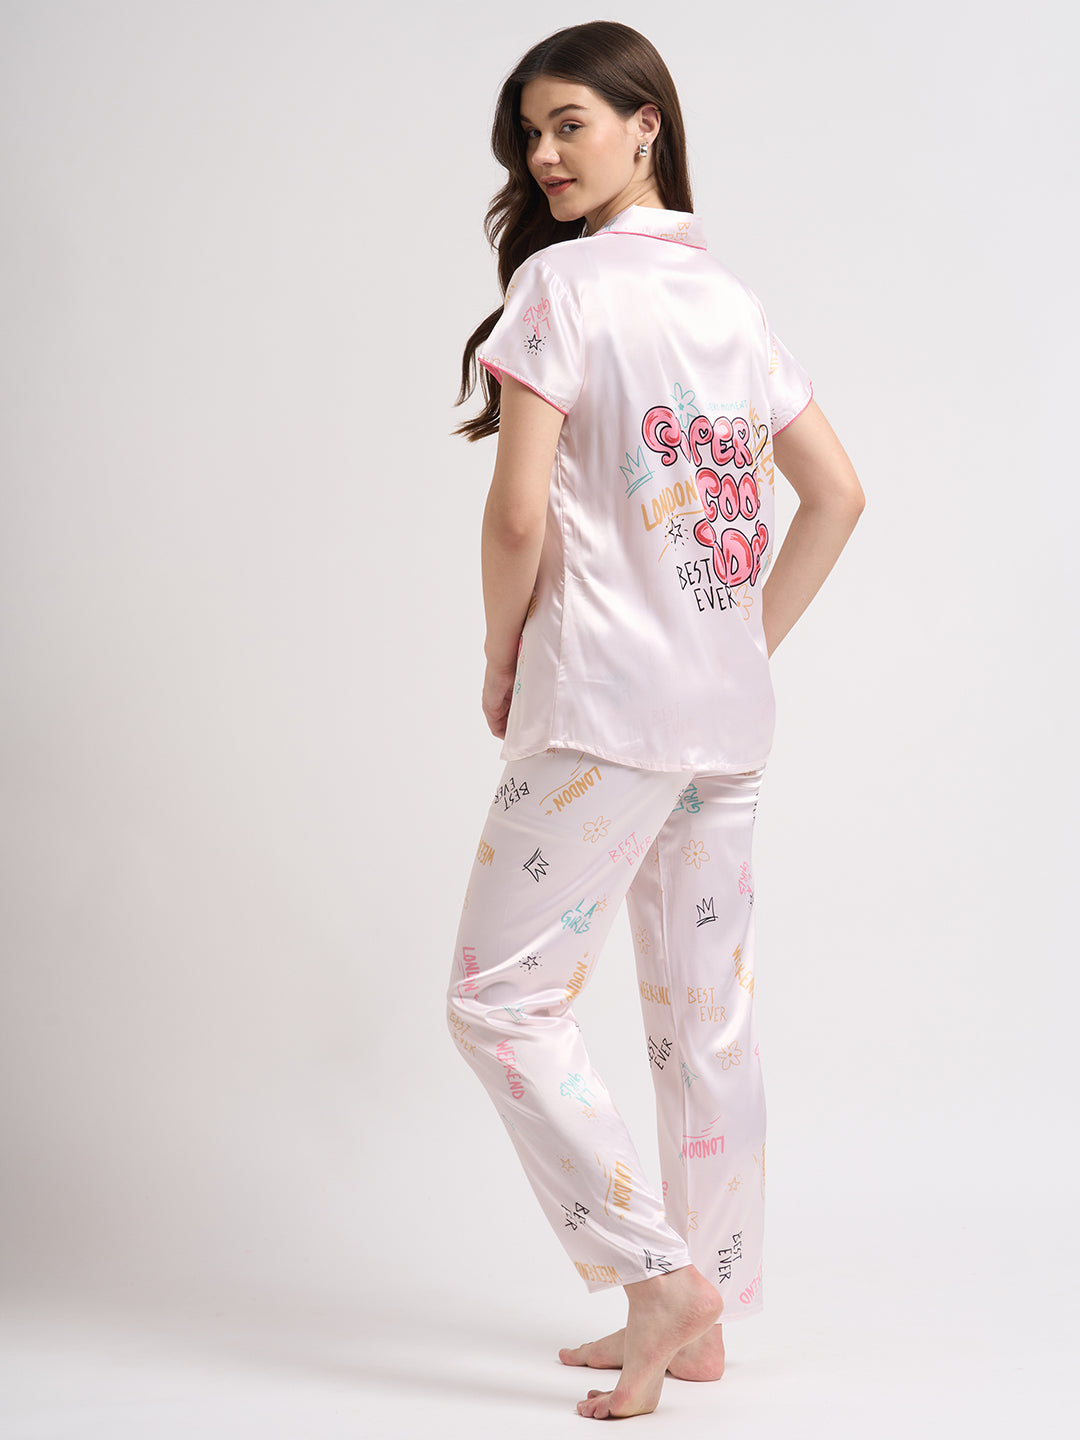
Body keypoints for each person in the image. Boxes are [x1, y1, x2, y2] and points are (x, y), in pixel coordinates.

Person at [447, 21, 864, 1421]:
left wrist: (502, 655)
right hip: (721, 723)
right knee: (706, 1018)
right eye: (529, 135)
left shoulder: (562, 288)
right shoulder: (729, 302)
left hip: (602, 709)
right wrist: (737, 647)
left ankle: (658, 1279)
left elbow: (516, 515)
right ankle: (706, 1320)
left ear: (647, 126)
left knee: (500, 1000)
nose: (543, 156)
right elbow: (838, 495)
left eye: (568, 123)